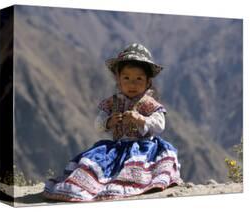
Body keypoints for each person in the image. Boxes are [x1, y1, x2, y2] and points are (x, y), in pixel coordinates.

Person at [43, 43, 182, 202]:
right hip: (117, 148)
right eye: (126, 78)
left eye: (138, 79)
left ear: (148, 82)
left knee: (139, 169)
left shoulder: (149, 104)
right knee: (93, 166)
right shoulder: (111, 103)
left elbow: (160, 125)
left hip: (144, 147)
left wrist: (141, 120)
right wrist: (109, 122)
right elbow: (98, 124)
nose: (132, 84)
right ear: (118, 80)